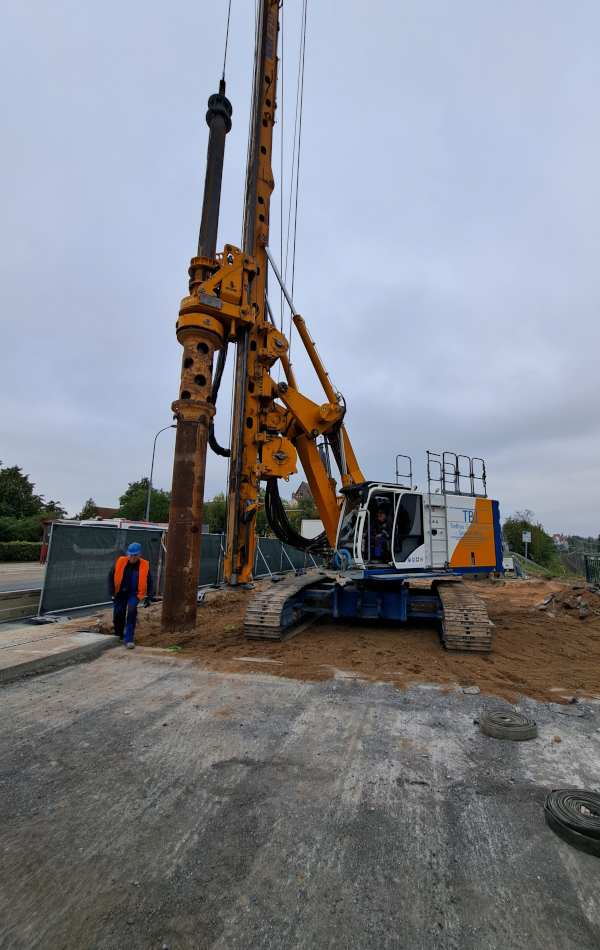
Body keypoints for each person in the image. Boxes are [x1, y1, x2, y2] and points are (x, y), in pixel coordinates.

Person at [108, 542, 153, 649]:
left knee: (132, 611)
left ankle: (129, 639)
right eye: (130, 555)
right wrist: (112, 593)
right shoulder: (120, 563)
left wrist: (149, 598)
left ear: (139, 555)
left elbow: (150, 582)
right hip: (120, 593)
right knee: (118, 614)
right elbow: (110, 578)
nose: (132, 557)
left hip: (134, 593)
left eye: (134, 555)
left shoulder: (144, 566)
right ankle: (118, 634)